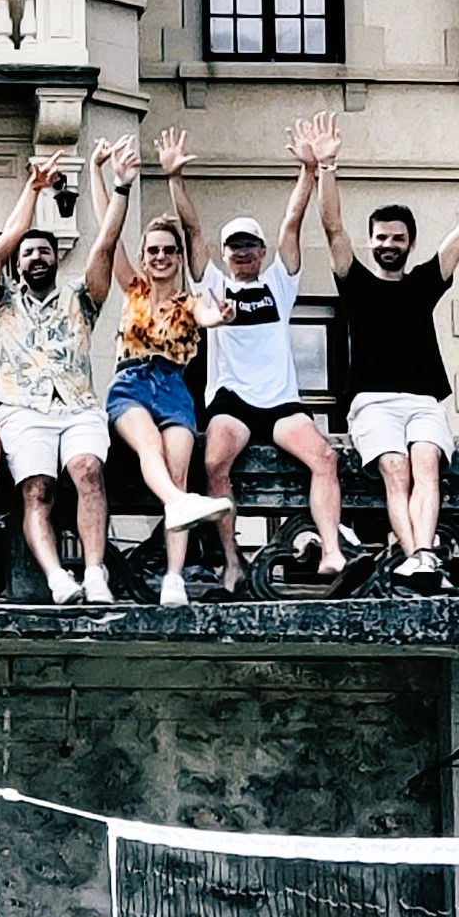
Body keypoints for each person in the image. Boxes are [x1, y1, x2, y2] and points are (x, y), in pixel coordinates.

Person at [317, 121, 459, 589]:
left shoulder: (423, 283)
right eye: (381, 237)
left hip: (423, 400)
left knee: (426, 466)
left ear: (410, 243)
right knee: (395, 470)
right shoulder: (355, 282)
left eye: (397, 238)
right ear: (371, 241)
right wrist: (327, 166)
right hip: (372, 401)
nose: (388, 245)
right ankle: (421, 555)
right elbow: (332, 227)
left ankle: (421, 559)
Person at [195, 120, 353, 593]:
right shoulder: (212, 285)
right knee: (214, 462)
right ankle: (231, 560)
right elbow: (191, 229)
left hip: (281, 401)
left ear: (261, 252)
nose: (243, 254)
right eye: (235, 247)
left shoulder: (279, 285)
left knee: (324, 457)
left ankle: (331, 549)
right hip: (233, 400)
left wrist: (309, 170)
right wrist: (175, 178)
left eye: (249, 246)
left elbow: (291, 224)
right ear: (225, 255)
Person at [0, 143, 131, 605]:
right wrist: (33, 190)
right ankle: (57, 578)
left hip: (77, 406)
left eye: (44, 251)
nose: (36, 258)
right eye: (28, 253)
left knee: (88, 471)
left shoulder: (82, 297)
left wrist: (119, 186)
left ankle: (95, 572)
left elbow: (105, 244)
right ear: (18, 262)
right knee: (37, 490)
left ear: (56, 257)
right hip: (22, 409)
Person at [99, 132, 235, 600]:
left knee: (178, 465)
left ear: (178, 258)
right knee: (149, 446)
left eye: (168, 250)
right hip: (132, 383)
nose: (160, 257)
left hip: (175, 388)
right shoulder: (133, 288)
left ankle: (174, 577)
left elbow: (208, 316)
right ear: (143, 257)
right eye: (153, 250)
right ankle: (179, 503)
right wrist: (102, 176)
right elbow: (107, 237)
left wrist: (221, 315)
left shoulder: (190, 301)